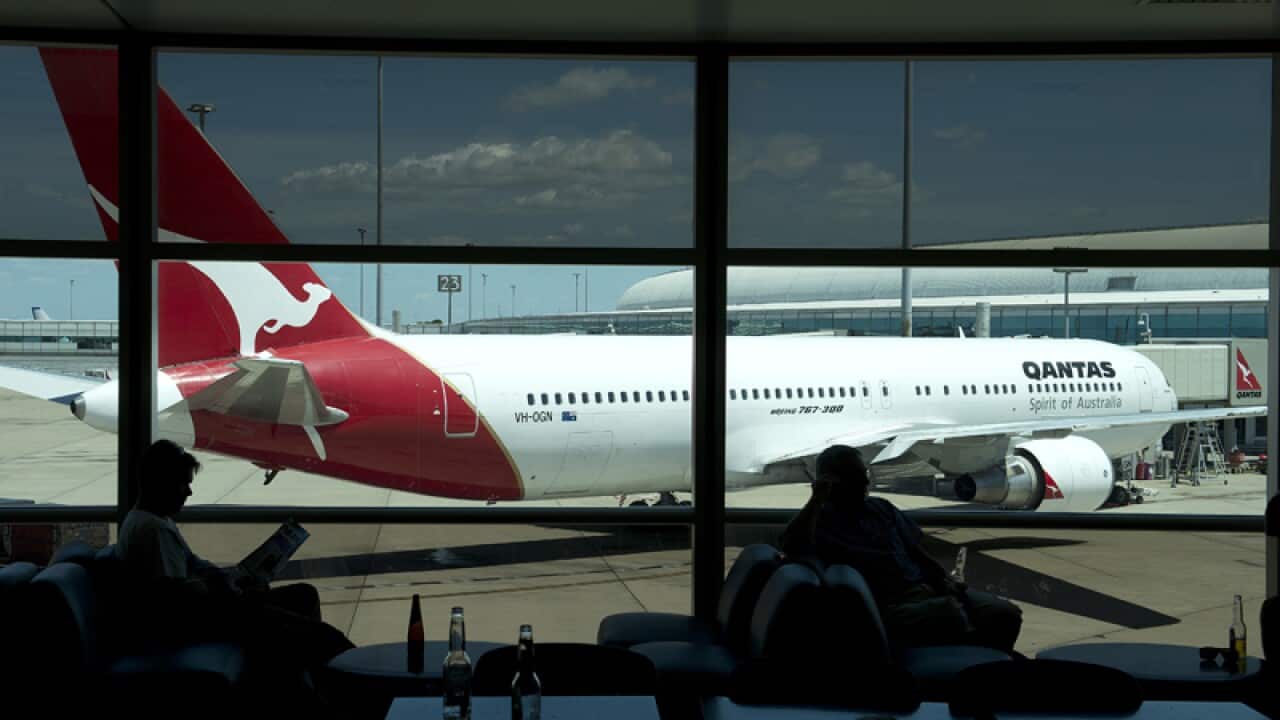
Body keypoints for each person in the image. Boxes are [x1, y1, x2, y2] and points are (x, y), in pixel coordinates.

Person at [119, 439, 354, 704]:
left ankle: (309, 685)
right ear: (161, 483)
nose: (188, 493)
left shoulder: (149, 520)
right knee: (323, 636)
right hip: (209, 620)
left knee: (303, 598)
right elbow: (177, 601)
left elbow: (190, 571)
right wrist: (233, 593)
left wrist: (232, 577)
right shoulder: (154, 530)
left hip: (210, 612)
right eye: (183, 484)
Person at [780, 444, 1022, 654]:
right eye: (856, 475)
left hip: (924, 589)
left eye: (864, 473)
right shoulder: (822, 521)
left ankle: (991, 665)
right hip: (887, 606)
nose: (866, 481)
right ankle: (965, 674)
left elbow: (916, 551)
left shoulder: (881, 508)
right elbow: (790, 545)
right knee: (953, 615)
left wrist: (943, 580)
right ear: (833, 482)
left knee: (1006, 613)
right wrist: (817, 500)